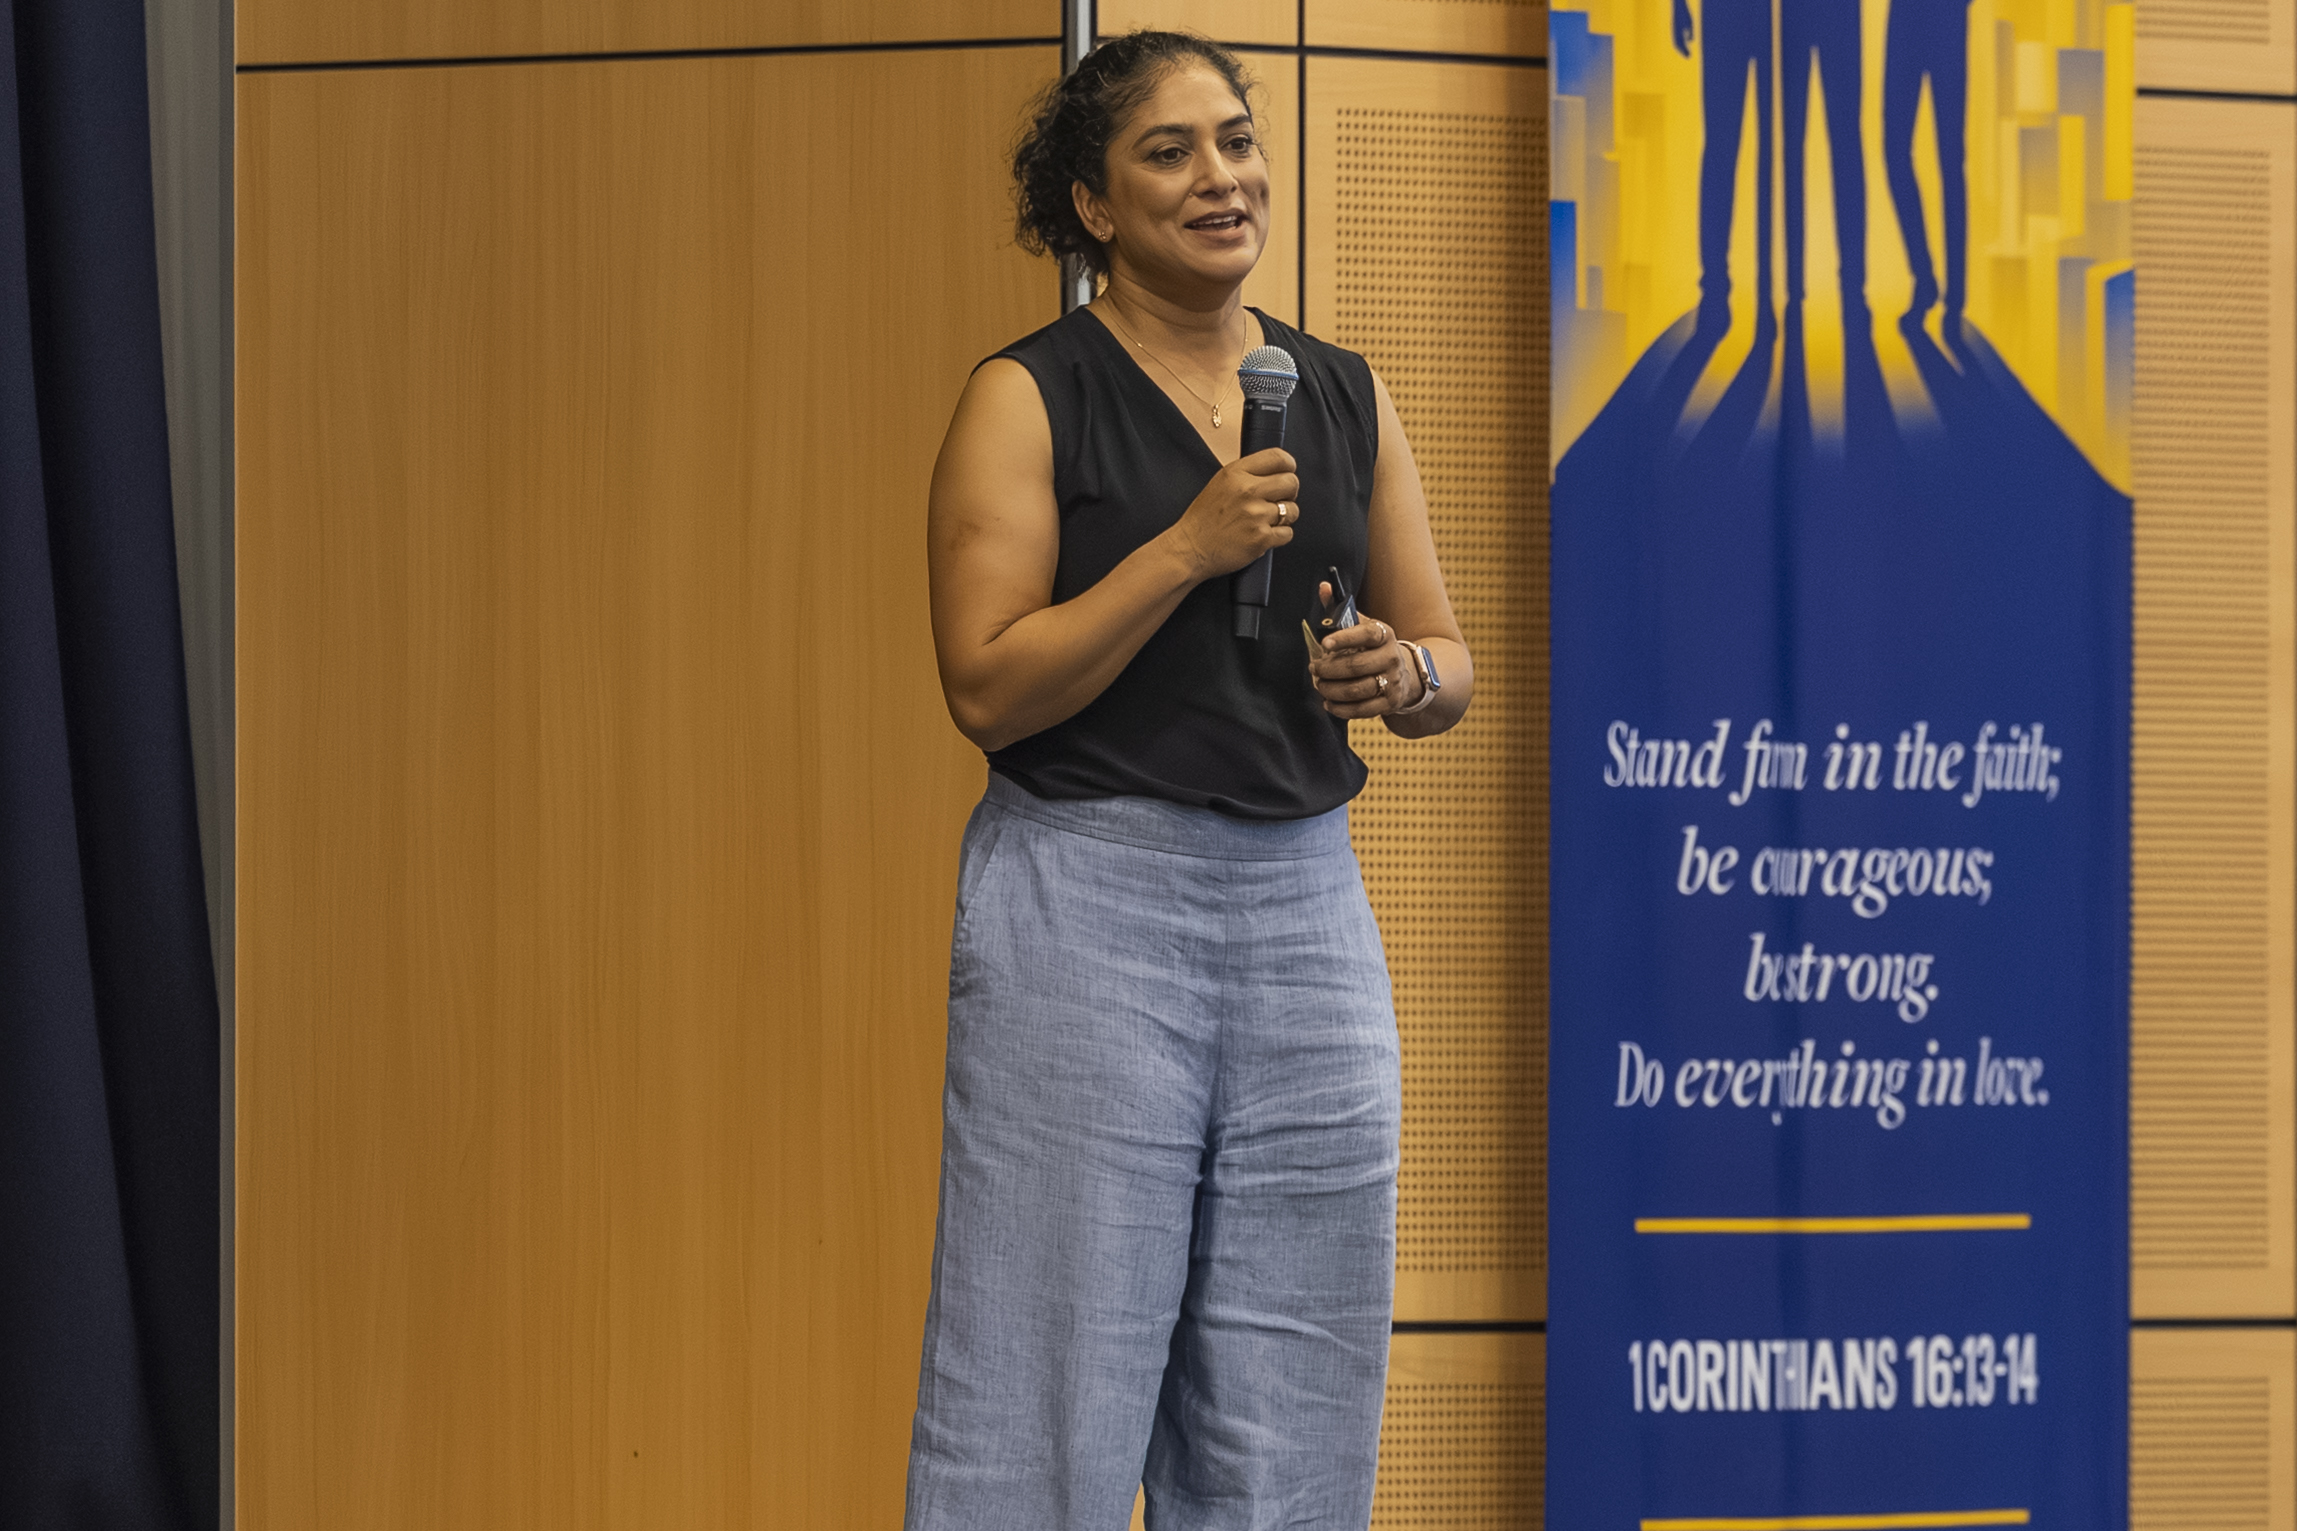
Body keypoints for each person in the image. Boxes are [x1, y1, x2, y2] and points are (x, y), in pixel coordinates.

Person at [906, 30, 1473, 1530]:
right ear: (1091, 207)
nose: (1221, 175)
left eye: (1234, 139)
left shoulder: (1336, 391)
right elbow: (985, 685)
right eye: (1169, 152)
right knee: (1048, 1372)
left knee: (1297, 1381)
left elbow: (1447, 660)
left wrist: (1399, 679)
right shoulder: (1027, 396)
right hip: (1088, 899)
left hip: (1304, 910)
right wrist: (1185, 549)